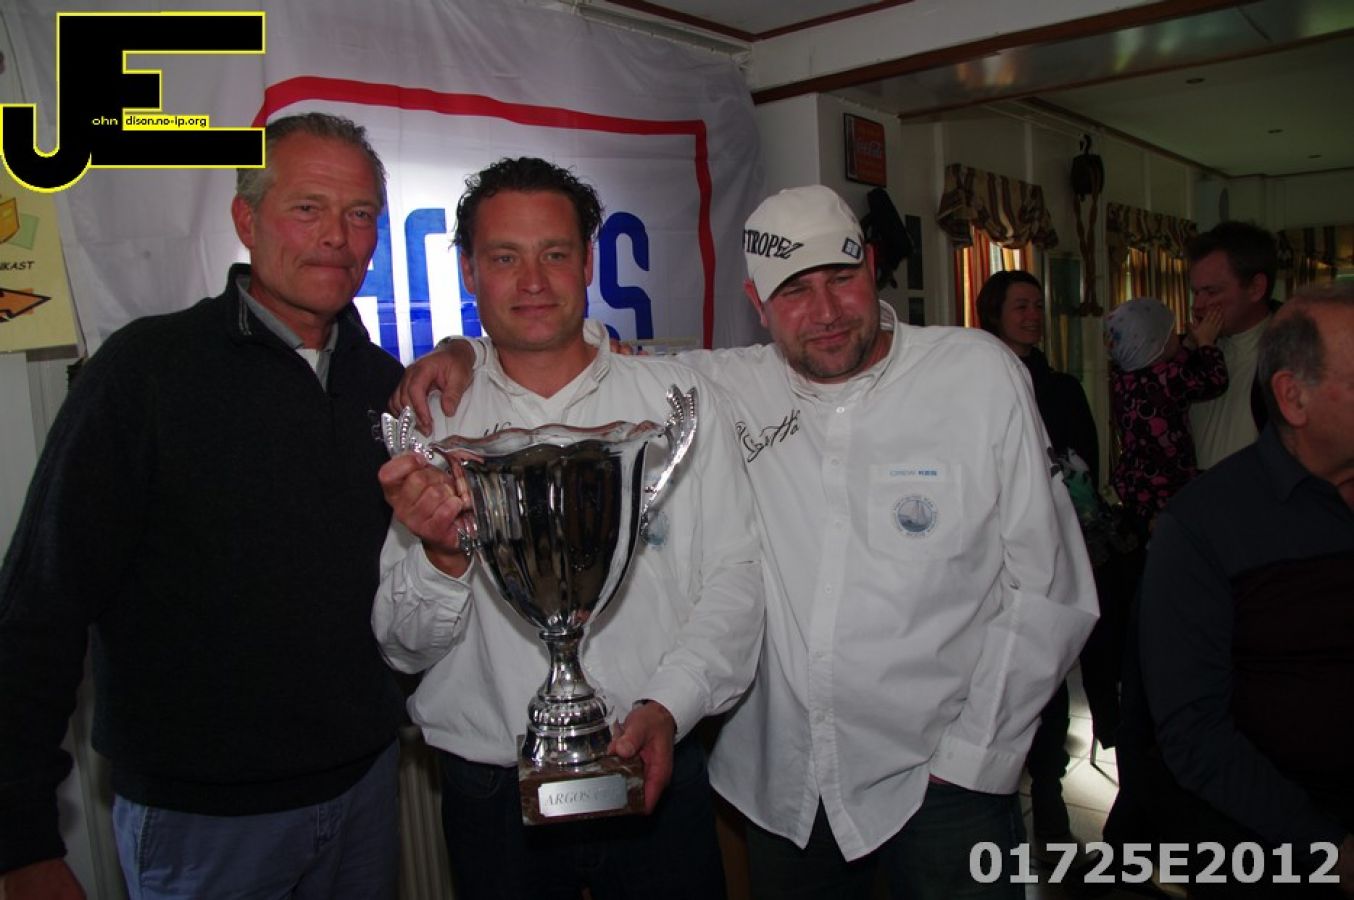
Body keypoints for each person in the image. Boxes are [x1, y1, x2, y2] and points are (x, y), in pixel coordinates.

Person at [394, 184, 1098, 898]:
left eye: (841, 278)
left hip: (940, 781)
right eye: (793, 292)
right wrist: (467, 351)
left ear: (872, 266)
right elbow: (559, 348)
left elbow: (1051, 586)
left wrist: (977, 753)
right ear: (756, 304)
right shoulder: (713, 387)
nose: (825, 313)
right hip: (788, 789)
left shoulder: (977, 373)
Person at [0, 113, 406, 899]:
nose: (337, 236)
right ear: (246, 220)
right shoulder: (145, 373)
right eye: (308, 207)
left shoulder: (382, 384)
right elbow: (38, 604)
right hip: (204, 827)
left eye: (359, 214)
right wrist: (19, 842)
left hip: (365, 792)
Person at [372, 157, 764, 900]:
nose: (532, 281)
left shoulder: (674, 400)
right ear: (468, 271)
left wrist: (669, 706)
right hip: (491, 791)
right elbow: (402, 645)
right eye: (504, 257)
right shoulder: (434, 425)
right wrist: (441, 555)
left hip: (656, 758)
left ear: (588, 263)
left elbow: (735, 580)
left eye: (554, 254)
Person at [1134, 282, 1354, 896]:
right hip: (1267, 852)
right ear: (1293, 396)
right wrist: (1330, 852)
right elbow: (1193, 732)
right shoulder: (1205, 527)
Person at [975, 270, 1100, 857]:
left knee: (1045, 684)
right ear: (994, 313)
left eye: (1037, 306)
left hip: (1048, 549)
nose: (1032, 316)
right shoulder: (971, 382)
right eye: (1020, 306)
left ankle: (1049, 808)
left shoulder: (1062, 388)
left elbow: (1085, 471)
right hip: (986, 559)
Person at [1105, 296, 1228, 533]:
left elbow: (1171, 370)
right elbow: (1215, 380)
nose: (1176, 336)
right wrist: (1206, 342)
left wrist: (1188, 346)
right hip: (1167, 486)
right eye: (1170, 333)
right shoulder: (1167, 379)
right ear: (1156, 345)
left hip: (1136, 485)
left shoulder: (1124, 379)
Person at [1186, 220, 1280, 468]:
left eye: (1212, 292)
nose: (1198, 305)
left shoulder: (1293, 355)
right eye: (1195, 293)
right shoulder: (1186, 354)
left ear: (1256, 288)